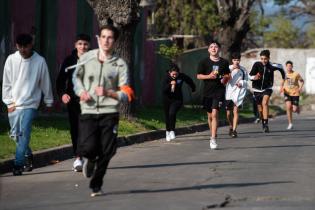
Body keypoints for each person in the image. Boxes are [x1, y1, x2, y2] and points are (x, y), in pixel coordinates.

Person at [73, 25, 134, 197]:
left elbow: (126, 93)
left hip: (109, 111)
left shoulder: (120, 64)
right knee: (89, 147)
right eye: (103, 37)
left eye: (110, 37)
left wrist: (109, 92)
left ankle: (96, 184)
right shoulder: (86, 58)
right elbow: (76, 78)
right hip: (89, 110)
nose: (106, 40)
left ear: (114, 41)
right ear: (98, 38)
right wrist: (81, 92)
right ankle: (90, 160)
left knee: (108, 151)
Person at [2, 33, 53, 176]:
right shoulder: (11, 60)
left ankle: (18, 164)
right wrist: (9, 102)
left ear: (31, 45)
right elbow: (6, 83)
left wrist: (48, 101)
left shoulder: (40, 61)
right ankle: (28, 154)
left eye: (26, 46)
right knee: (15, 135)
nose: (23, 49)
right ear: (16, 46)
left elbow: (45, 82)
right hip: (14, 104)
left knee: (23, 133)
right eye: (20, 46)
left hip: (31, 104)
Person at [56, 34, 91, 172]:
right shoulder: (69, 61)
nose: (83, 46)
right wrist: (62, 94)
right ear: (75, 45)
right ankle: (78, 157)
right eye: (80, 44)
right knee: (76, 128)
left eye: (85, 44)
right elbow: (60, 80)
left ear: (89, 46)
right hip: (74, 100)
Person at [197, 41, 230, 150]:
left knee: (215, 114)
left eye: (216, 47)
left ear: (219, 49)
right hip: (207, 91)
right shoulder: (203, 62)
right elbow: (198, 76)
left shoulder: (224, 62)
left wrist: (225, 79)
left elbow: (228, 75)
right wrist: (209, 76)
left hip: (219, 91)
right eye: (211, 47)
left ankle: (213, 138)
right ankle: (213, 133)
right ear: (208, 50)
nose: (214, 48)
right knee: (210, 116)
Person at [249, 49, 285, 133]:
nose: (263, 61)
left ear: (268, 58)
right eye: (261, 58)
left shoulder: (272, 66)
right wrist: (254, 77)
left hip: (267, 88)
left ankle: (266, 124)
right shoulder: (256, 64)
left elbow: (281, 68)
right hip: (256, 89)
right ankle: (262, 120)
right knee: (260, 108)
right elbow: (250, 75)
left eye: (265, 59)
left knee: (264, 103)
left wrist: (284, 79)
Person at [162, 63, 196, 141]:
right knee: (167, 116)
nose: (175, 76)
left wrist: (193, 88)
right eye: (173, 74)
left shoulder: (181, 76)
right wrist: (170, 84)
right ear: (170, 73)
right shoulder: (166, 77)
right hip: (167, 99)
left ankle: (172, 131)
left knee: (172, 113)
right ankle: (167, 132)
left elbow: (189, 80)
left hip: (177, 99)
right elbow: (163, 90)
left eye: (176, 74)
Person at [225, 52, 248, 138]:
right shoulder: (228, 68)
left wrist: (241, 83)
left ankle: (234, 130)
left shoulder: (243, 70)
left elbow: (246, 80)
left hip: (238, 93)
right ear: (232, 60)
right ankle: (231, 126)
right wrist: (231, 70)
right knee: (228, 113)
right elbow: (224, 78)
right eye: (235, 60)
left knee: (235, 111)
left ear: (240, 60)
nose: (236, 61)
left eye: (238, 60)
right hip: (229, 93)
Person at [280, 60, 304, 130]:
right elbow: (282, 83)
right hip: (287, 93)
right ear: (286, 67)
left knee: (294, 109)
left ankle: (297, 107)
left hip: (295, 93)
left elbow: (302, 81)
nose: (289, 67)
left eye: (290, 66)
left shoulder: (296, 74)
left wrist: (300, 88)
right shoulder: (284, 74)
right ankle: (290, 123)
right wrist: (281, 88)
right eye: (287, 66)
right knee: (288, 107)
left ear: (292, 66)